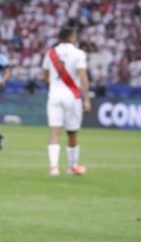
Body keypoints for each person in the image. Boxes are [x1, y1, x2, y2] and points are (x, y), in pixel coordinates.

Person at [42, 26, 91, 177]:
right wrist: (87, 99)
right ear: (71, 37)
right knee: (72, 133)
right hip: (72, 96)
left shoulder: (50, 53)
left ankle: (54, 168)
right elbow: (83, 77)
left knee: (54, 132)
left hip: (55, 95)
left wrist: (53, 86)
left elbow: (45, 74)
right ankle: (72, 167)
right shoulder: (79, 53)